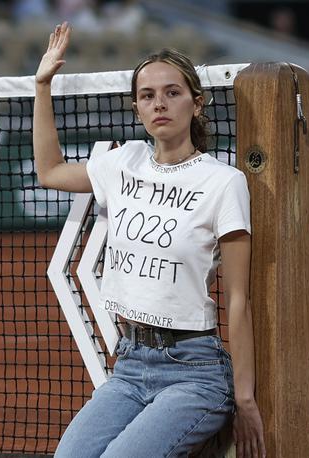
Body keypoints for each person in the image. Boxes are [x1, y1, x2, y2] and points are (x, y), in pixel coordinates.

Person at [33, 23, 266, 457]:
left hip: (194, 371)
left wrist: (245, 399)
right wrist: (42, 84)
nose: (159, 103)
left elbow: (238, 300)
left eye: (172, 92)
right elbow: (50, 171)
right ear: (137, 108)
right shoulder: (124, 163)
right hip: (130, 365)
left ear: (197, 104)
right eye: (147, 95)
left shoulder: (223, 182)